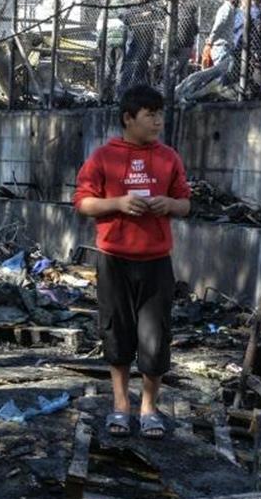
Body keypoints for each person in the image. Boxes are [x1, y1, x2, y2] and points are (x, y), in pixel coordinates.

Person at [72, 85, 191, 441]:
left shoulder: (169, 157)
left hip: (156, 262)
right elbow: (82, 203)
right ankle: (121, 406)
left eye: (160, 114)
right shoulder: (103, 157)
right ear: (128, 118)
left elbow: (185, 203)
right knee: (117, 333)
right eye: (150, 115)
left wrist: (168, 205)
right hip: (114, 261)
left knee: (155, 340)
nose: (158, 122)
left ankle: (149, 408)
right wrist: (118, 204)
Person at [201, 0, 239, 83]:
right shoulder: (230, 9)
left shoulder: (226, 8)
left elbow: (219, 25)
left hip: (221, 44)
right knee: (222, 72)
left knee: (220, 72)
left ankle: (219, 94)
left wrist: (210, 40)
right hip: (224, 43)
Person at [232, 0, 261, 94]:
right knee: (241, 67)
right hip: (239, 44)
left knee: (252, 67)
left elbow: (256, 28)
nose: (241, 1)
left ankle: (254, 89)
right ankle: (243, 88)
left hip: (249, 44)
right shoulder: (240, 11)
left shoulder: (253, 10)